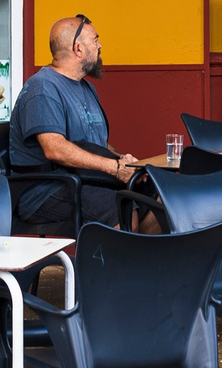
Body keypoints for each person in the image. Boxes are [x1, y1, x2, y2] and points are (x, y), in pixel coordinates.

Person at [7, 14, 136, 232]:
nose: (100, 45)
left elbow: (97, 143)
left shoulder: (86, 87)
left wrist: (122, 160)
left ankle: (139, 262)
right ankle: (112, 265)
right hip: (45, 190)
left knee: (152, 197)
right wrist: (113, 168)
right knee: (123, 207)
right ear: (78, 49)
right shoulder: (43, 88)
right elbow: (55, 149)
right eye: (95, 40)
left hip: (79, 179)